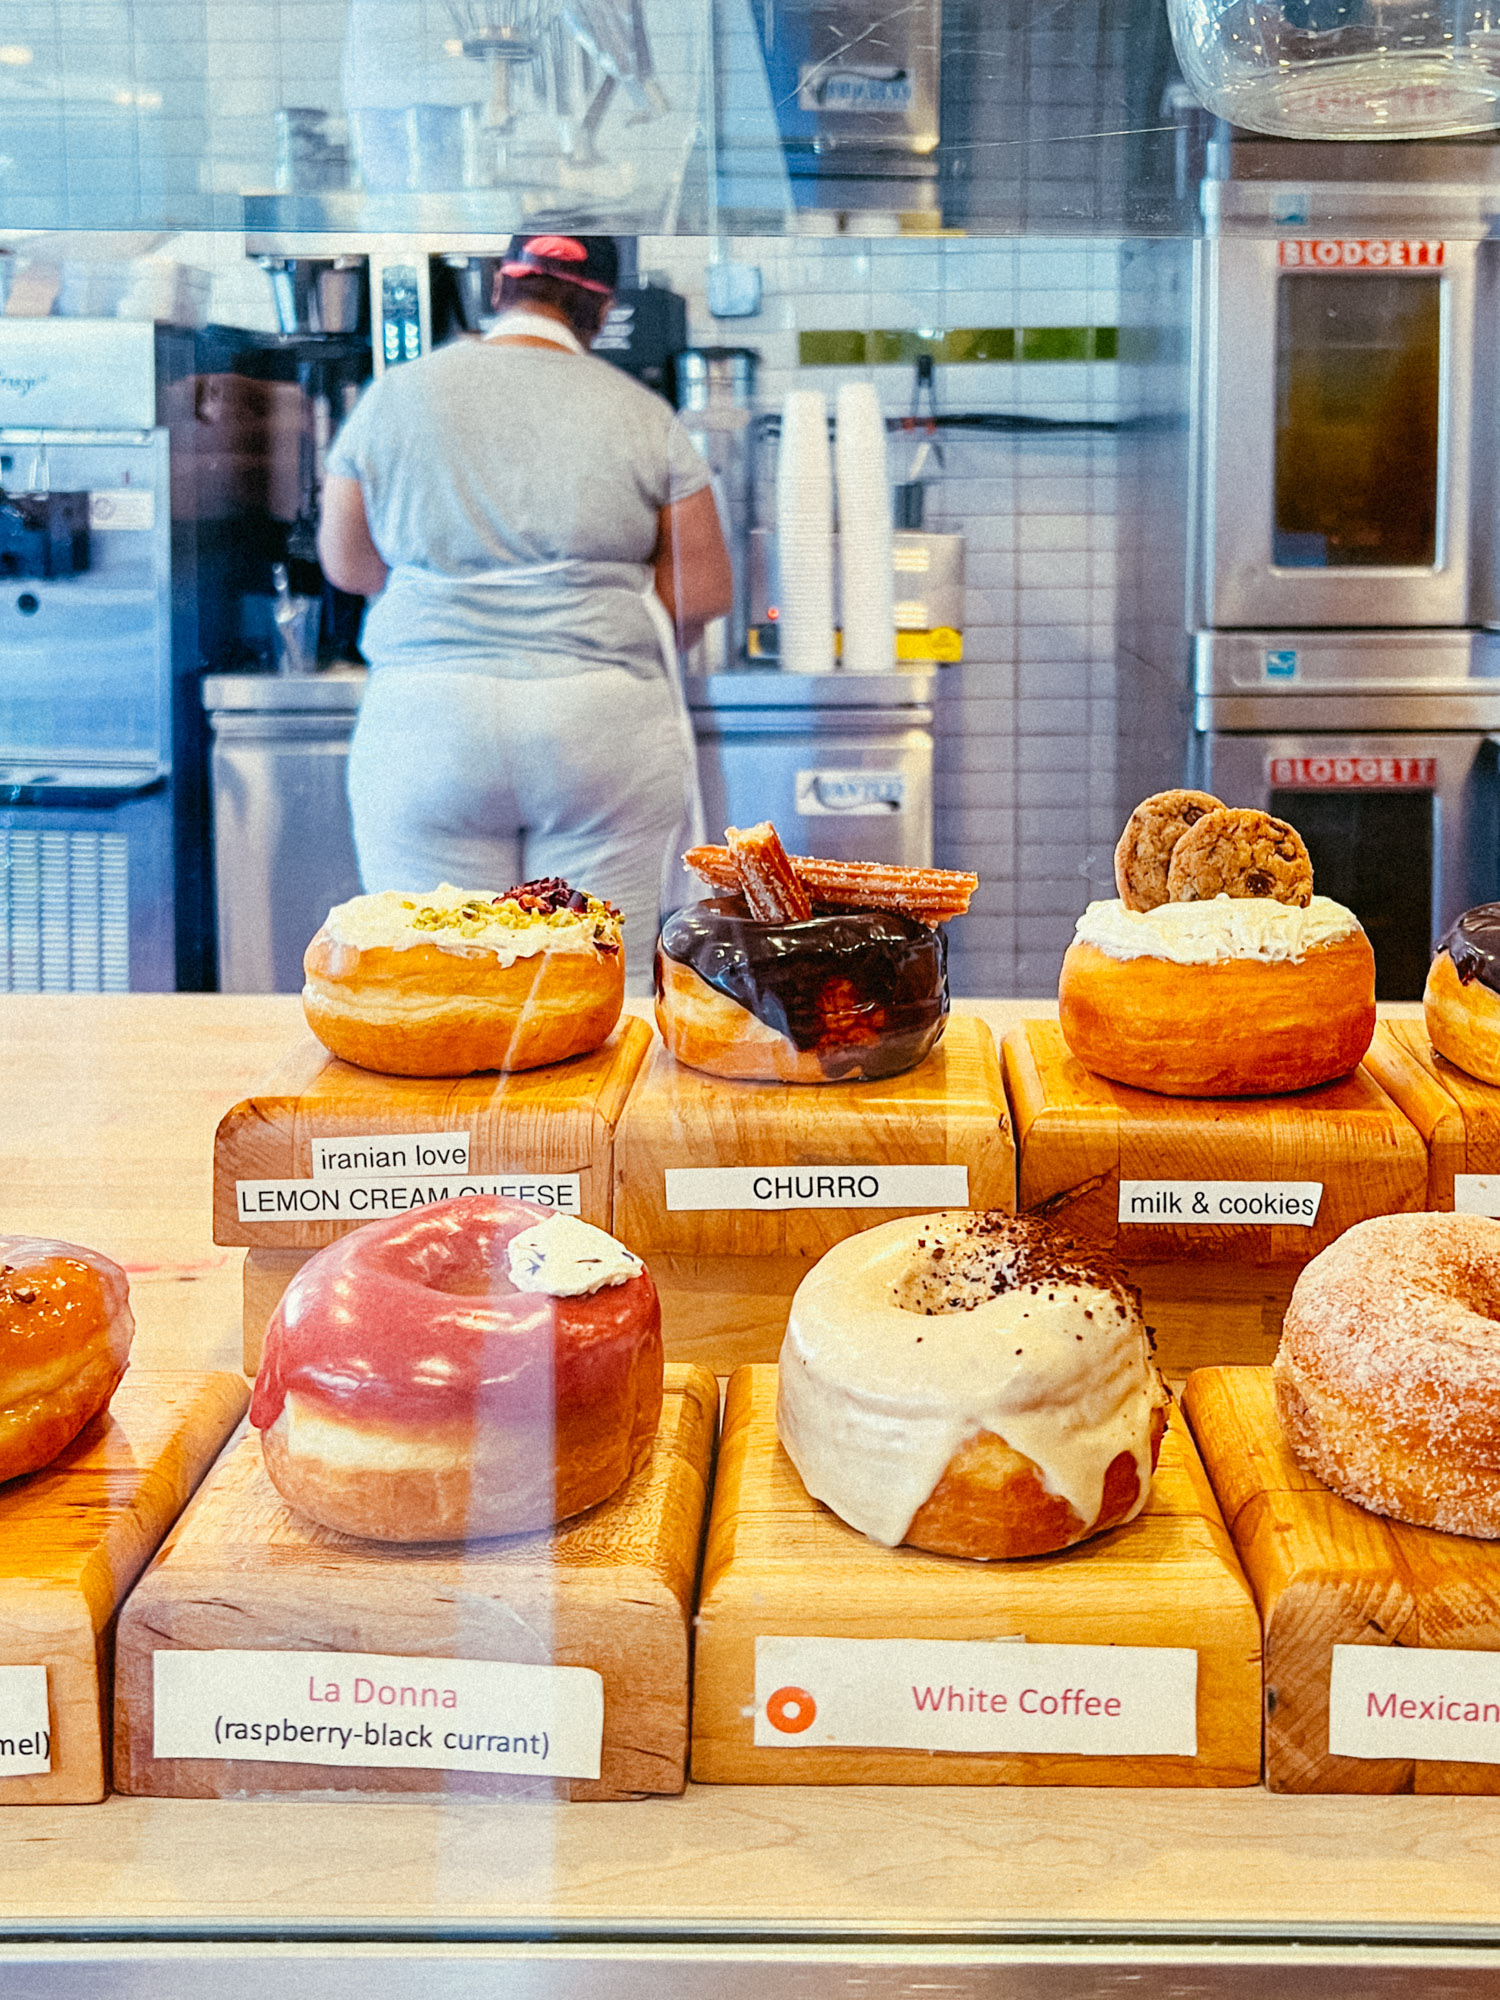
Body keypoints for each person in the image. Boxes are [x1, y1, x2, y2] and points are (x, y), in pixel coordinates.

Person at [317, 232, 733, 991]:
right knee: (590, 995)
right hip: (598, 729)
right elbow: (699, 595)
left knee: (437, 990)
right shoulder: (642, 414)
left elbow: (348, 565)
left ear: (498, 289)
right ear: (600, 310)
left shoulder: (393, 397)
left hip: (425, 731)